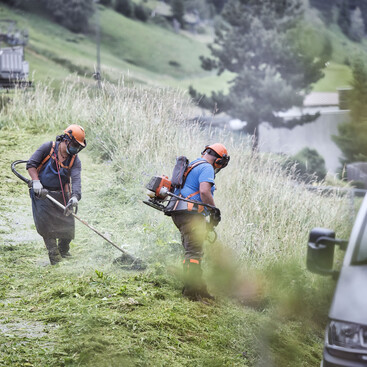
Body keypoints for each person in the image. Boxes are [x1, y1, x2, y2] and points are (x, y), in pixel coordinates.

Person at [168, 143, 230, 301]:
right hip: (191, 214)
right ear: (219, 162)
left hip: (179, 212)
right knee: (193, 253)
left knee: (194, 251)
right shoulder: (207, 168)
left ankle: (200, 288)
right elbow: (204, 191)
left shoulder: (194, 164)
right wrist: (214, 210)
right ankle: (190, 292)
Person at [26, 125, 86, 265]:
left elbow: (76, 180)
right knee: (47, 226)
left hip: (61, 193)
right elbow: (31, 164)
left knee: (68, 224)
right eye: (74, 145)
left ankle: (63, 250)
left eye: (78, 146)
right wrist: (36, 182)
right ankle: (54, 255)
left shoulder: (74, 160)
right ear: (66, 139)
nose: (76, 149)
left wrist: (75, 197)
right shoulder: (48, 148)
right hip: (42, 192)